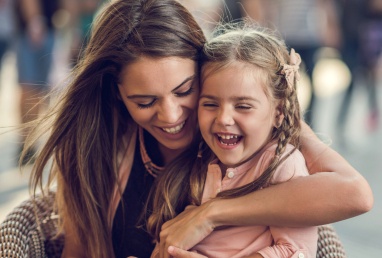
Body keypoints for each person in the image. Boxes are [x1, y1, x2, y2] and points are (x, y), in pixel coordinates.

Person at [15, 0, 372, 257]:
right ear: (117, 95)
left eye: (185, 90)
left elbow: (355, 194)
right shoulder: (97, 149)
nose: (171, 115)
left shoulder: (242, 143)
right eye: (144, 101)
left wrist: (210, 213)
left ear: (205, 68)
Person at [149, 24, 317, 258]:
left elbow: (298, 251)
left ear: (278, 113)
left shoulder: (281, 165)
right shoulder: (201, 157)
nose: (224, 119)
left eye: (243, 106)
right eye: (210, 104)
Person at [14, 0, 60, 164]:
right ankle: (25, 142)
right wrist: (35, 20)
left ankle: (29, 142)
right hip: (34, 29)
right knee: (29, 88)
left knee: (37, 91)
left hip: (46, 28)